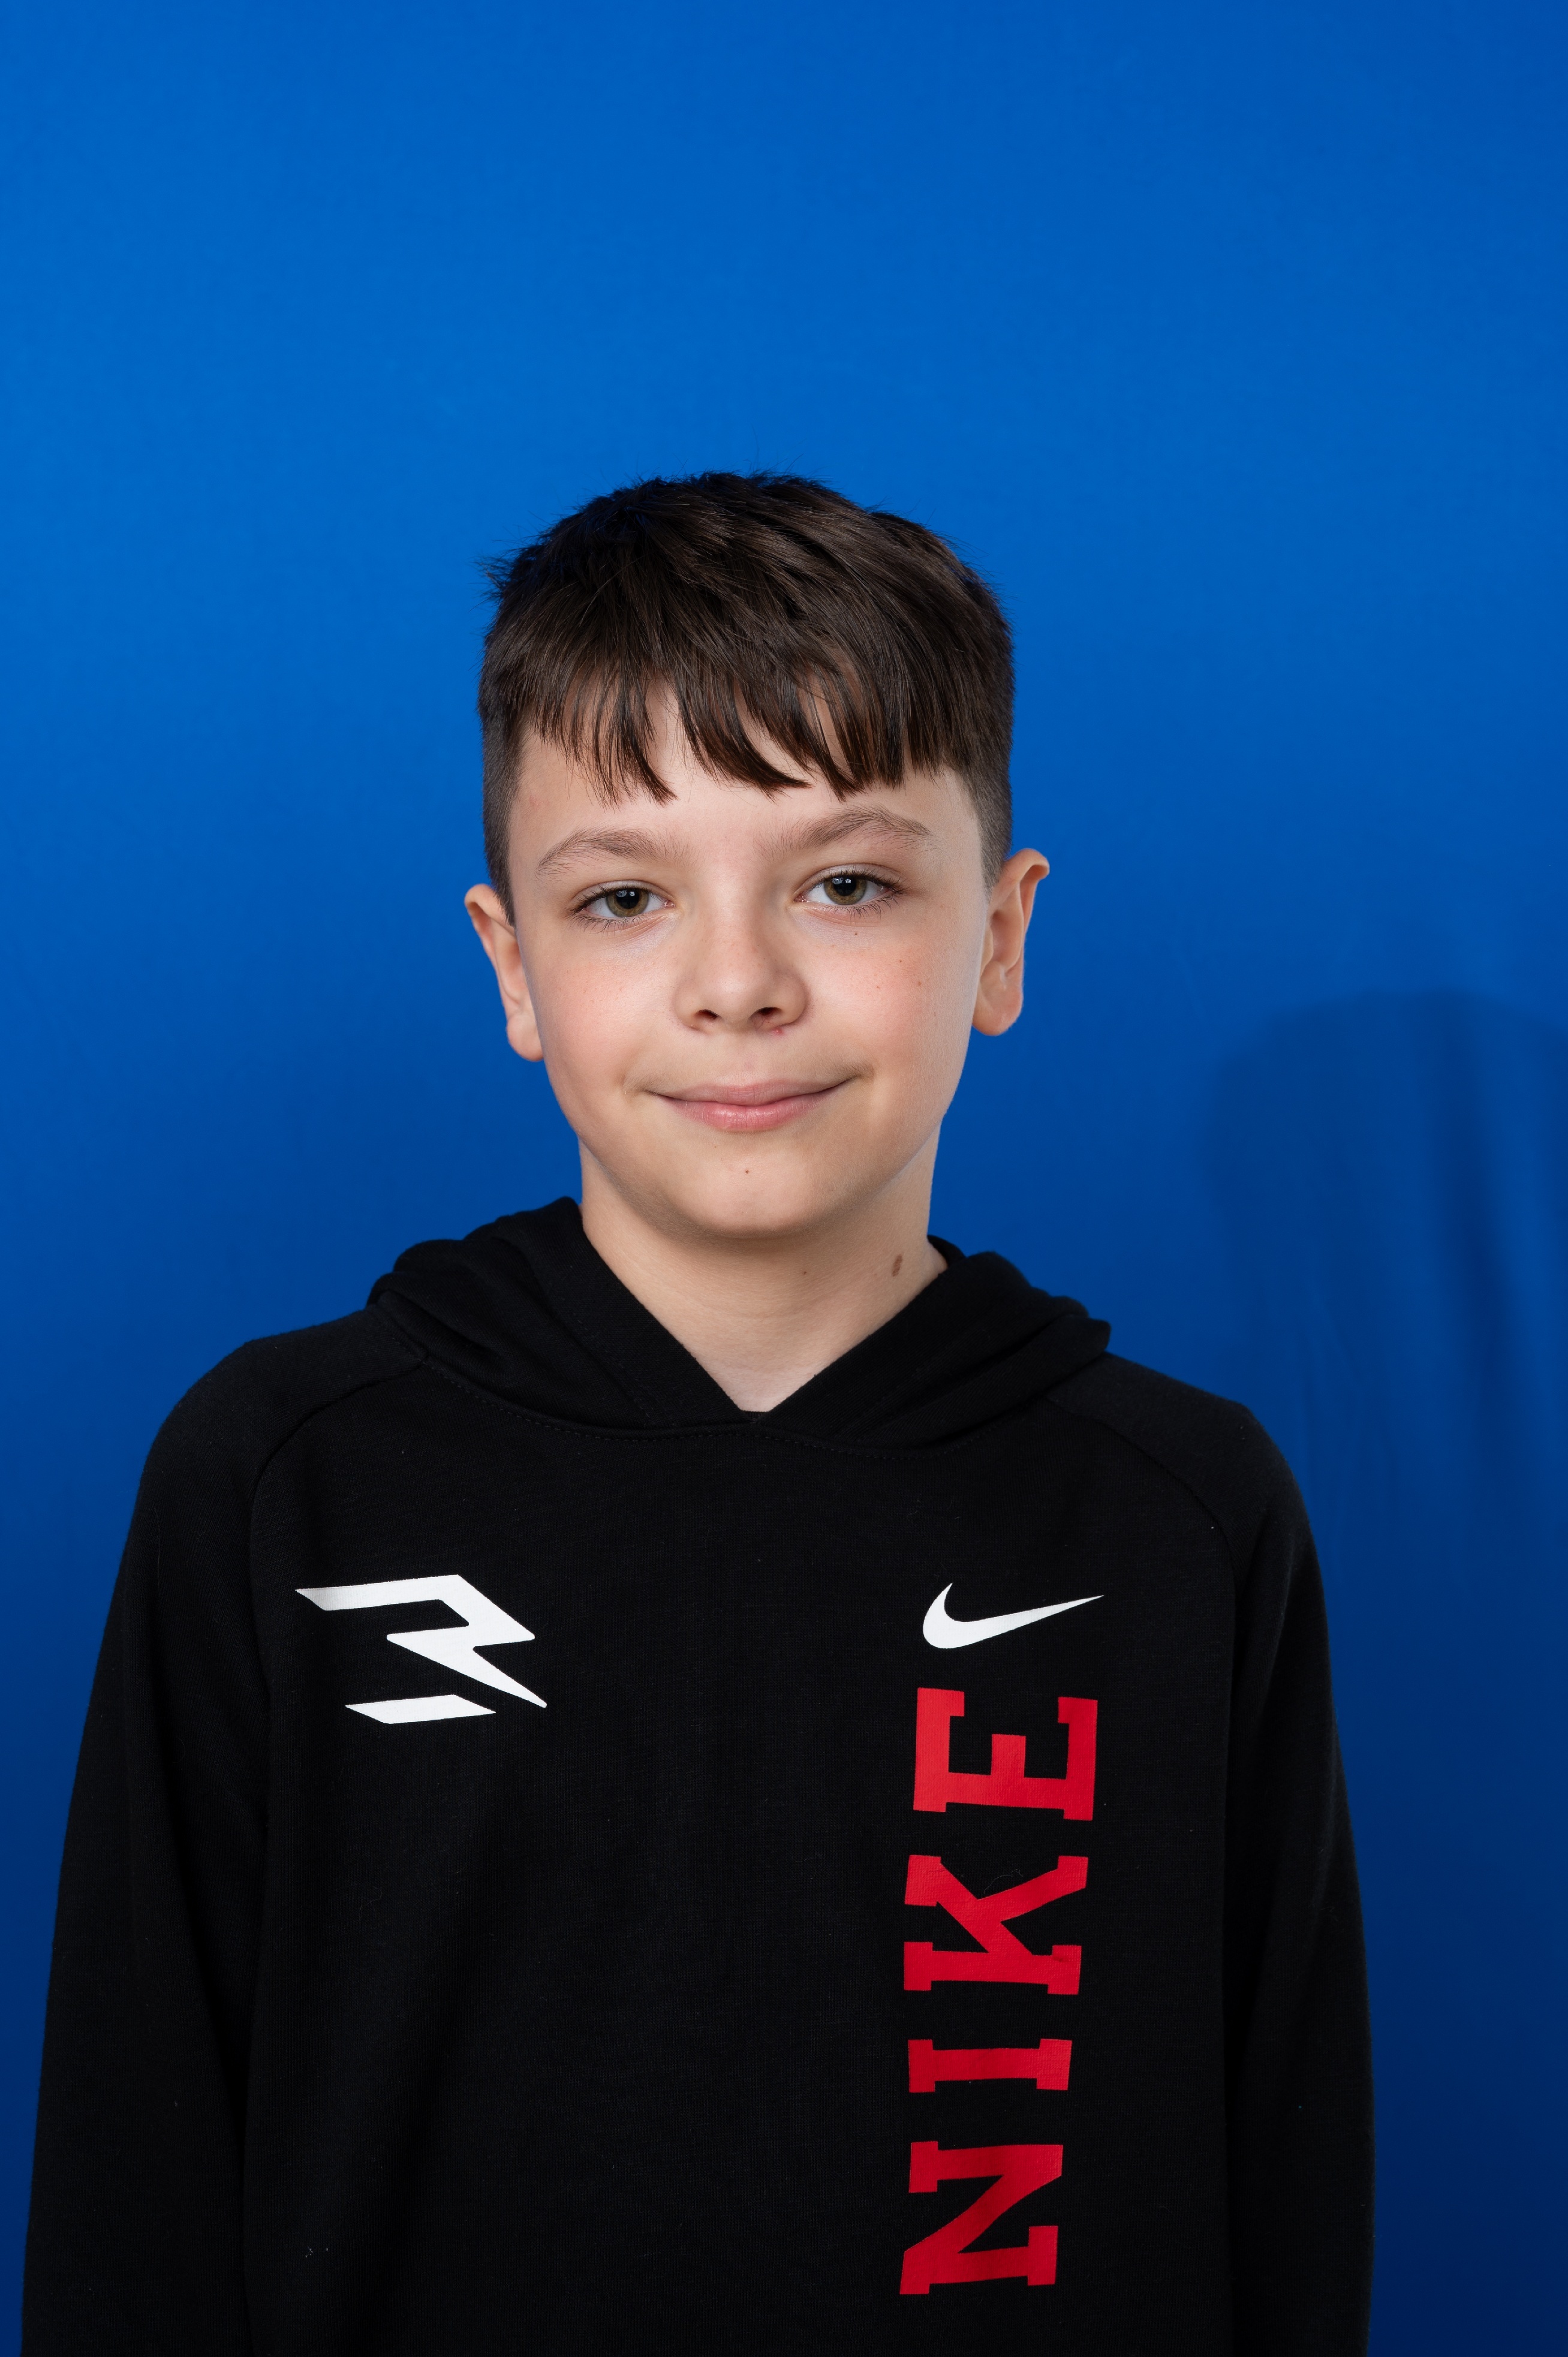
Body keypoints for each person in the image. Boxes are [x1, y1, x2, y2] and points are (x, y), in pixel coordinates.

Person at [23, 473, 1373, 2354]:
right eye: (626, 897)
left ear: (1001, 936)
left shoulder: (1180, 1514)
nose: (738, 984)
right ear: (514, 964)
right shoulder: (282, 1484)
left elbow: (1284, 2192)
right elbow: (131, 2186)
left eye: (846, 882)